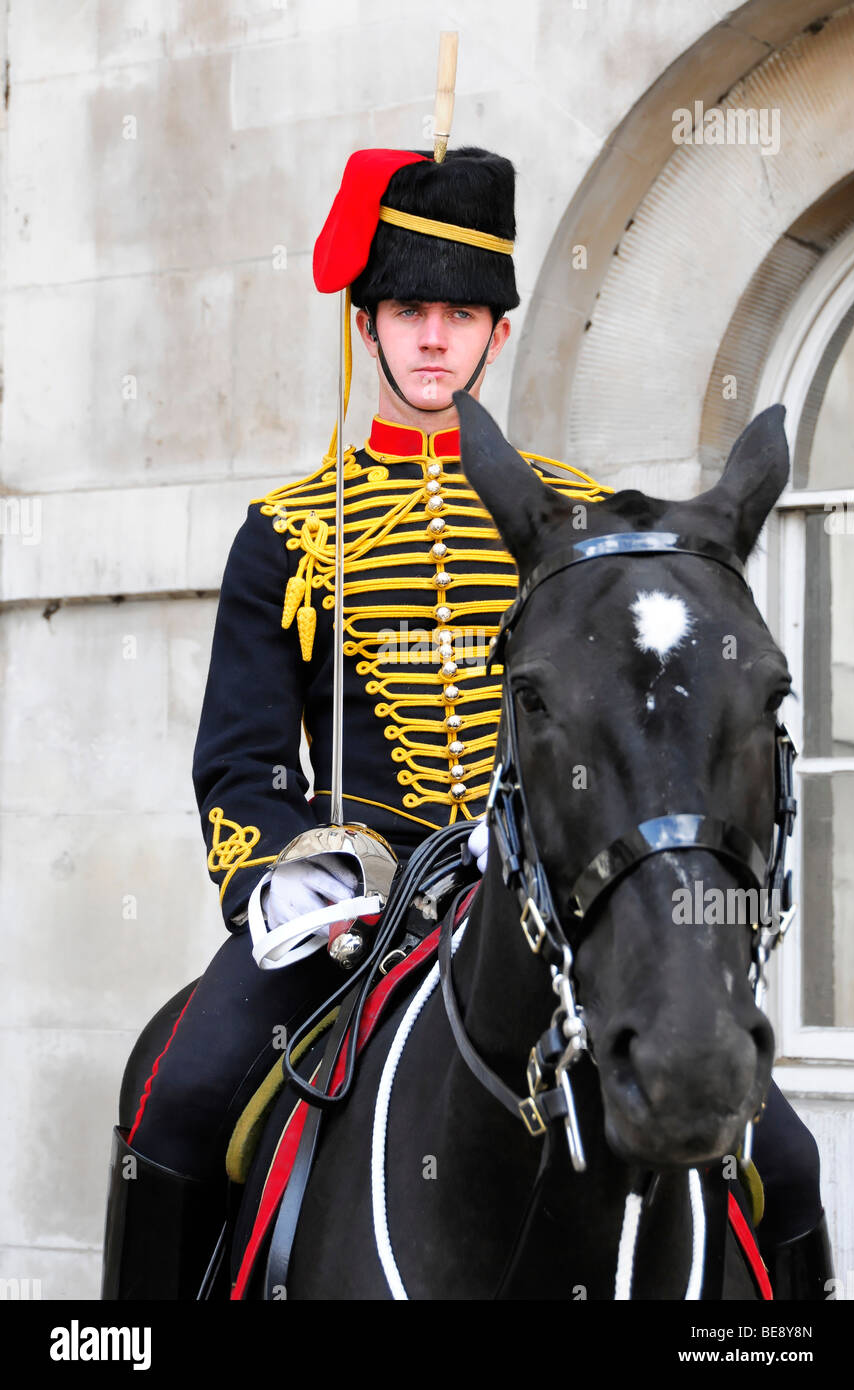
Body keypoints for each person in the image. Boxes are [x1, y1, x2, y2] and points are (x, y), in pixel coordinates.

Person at [100, 144, 609, 1299]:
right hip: (357, 909)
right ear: (366, 326)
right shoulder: (287, 531)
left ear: (499, 334)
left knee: (762, 1139)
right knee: (174, 1103)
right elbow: (239, 759)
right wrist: (284, 875)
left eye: (462, 312)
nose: (435, 338)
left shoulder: (573, 516)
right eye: (410, 308)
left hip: (537, 904)